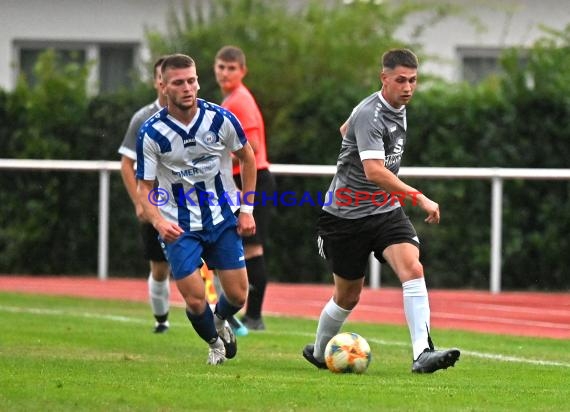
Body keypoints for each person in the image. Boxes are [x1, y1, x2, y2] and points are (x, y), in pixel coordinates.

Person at [302, 48, 460, 373]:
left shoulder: (394, 107)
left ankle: (422, 354)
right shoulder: (370, 114)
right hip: (344, 218)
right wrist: (419, 198)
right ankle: (319, 352)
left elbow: (344, 130)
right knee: (347, 297)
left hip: (384, 211)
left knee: (413, 270)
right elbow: (374, 171)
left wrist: (351, 143)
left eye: (413, 80)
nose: (408, 87)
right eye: (400, 80)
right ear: (383, 78)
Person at [136, 53, 257, 365]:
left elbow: (248, 158)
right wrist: (158, 222)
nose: (188, 87)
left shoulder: (220, 119)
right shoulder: (151, 132)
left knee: (238, 295)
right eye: (179, 82)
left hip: (221, 217)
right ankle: (215, 343)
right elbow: (144, 188)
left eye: (192, 80)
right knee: (194, 297)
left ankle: (220, 321)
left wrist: (247, 209)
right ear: (163, 86)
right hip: (179, 225)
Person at [214, 45, 276, 331]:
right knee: (241, 247)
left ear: (243, 71)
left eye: (231, 68)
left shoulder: (240, 101)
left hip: (251, 180)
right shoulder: (231, 99)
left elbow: (253, 148)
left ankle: (254, 316)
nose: (225, 72)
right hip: (240, 179)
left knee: (252, 249)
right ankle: (244, 313)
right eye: (221, 66)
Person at [118, 56, 171, 334]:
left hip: (189, 204)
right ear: (157, 82)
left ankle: (222, 316)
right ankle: (161, 319)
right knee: (160, 266)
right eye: (163, 78)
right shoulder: (143, 118)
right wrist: (140, 201)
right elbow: (126, 164)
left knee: (212, 259)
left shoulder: (195, 115)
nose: (167, 84)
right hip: (157, 204)